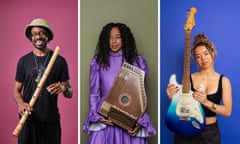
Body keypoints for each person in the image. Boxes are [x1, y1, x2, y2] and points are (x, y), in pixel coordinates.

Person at [82, 22, 156, 144]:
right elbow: (94, 93)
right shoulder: (98, 61)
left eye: (118, 37)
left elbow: (140, 97)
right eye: (110, 38)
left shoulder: (137, 62)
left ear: (124, 39)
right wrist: (97, 116)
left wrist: (139, 122)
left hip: (129, 116)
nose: (113, 41)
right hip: (106, 116)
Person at [13, 18, 73, 144]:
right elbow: (16, 91)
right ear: (31, 37)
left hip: (50, 121)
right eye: (34, 34)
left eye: (42, 33)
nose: (38, 37)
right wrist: (21, 104)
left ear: (48, 36)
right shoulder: (23, 61)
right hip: (28, 120)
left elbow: (70, 92)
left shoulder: (60, 61)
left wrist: (63, 88)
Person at [166, 33, 232, 144]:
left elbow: (227, 111)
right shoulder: (188, 79)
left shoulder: (224, 81)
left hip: (209, 133)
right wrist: (172, 98)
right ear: (195, 59)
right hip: (185, 131)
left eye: (206, 53)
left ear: (213, 53)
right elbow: (181, 105)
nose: (203, 58)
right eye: (198, 56)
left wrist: (206, 102)